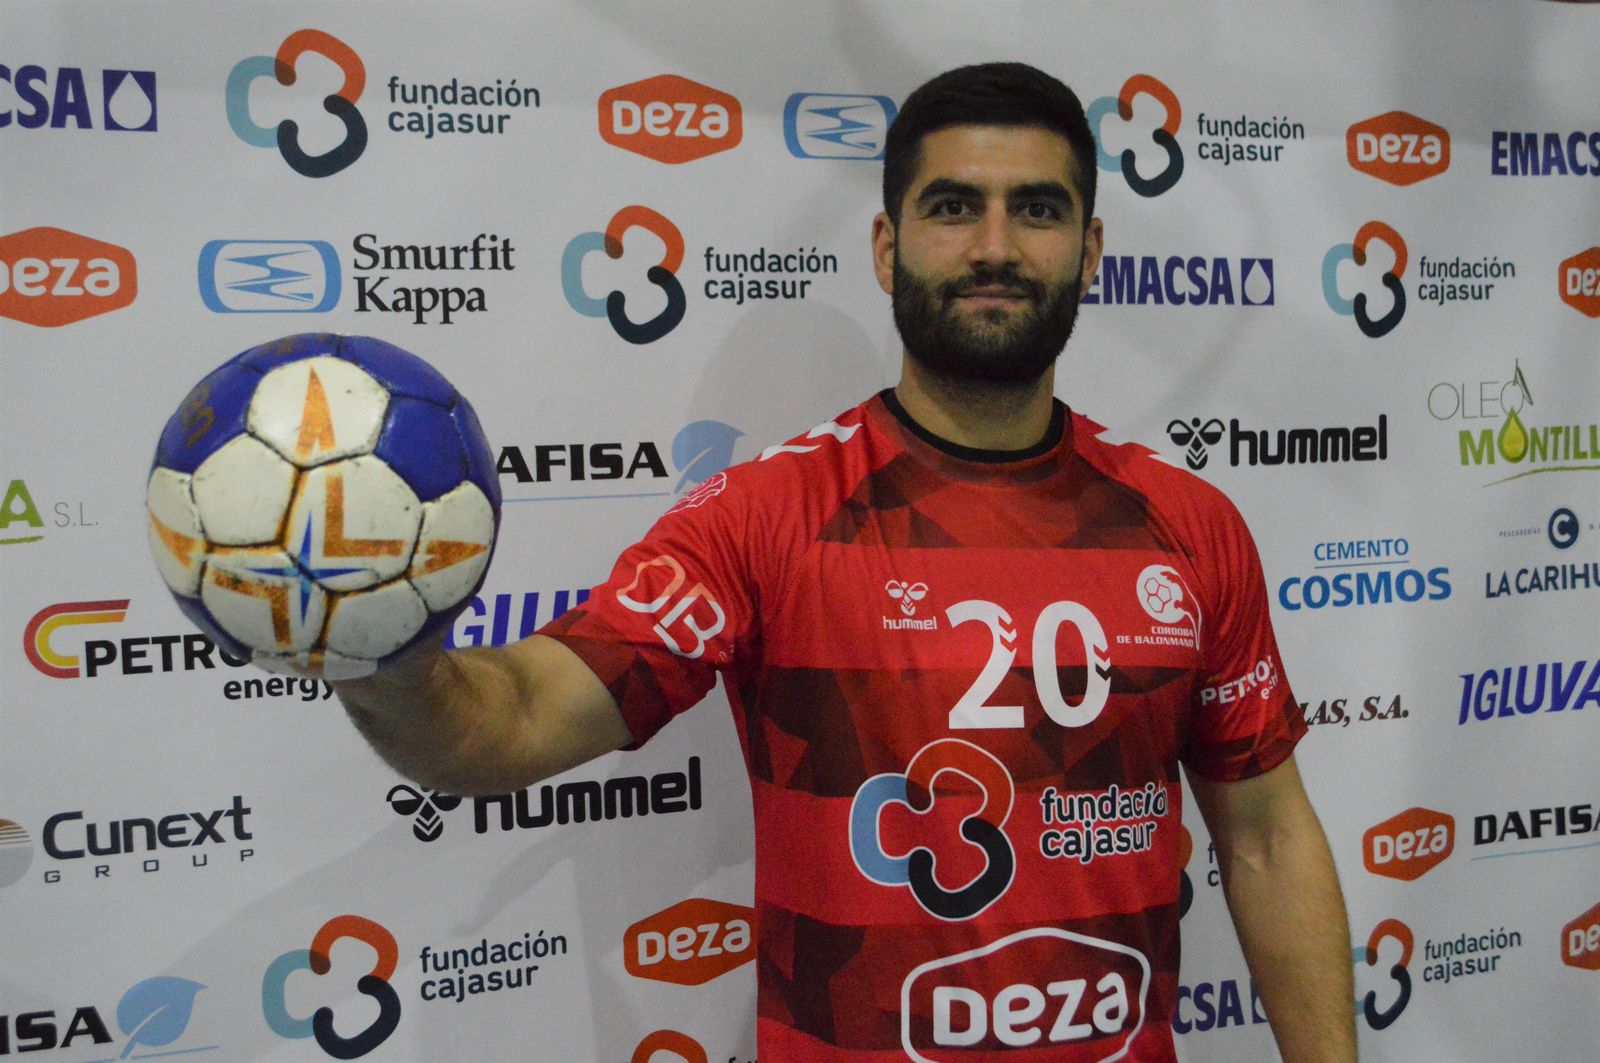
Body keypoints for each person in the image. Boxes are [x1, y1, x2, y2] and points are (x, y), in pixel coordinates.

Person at [338, 62, 1357, 1062]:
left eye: (1037, 211)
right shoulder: (766, 518)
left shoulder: (1188, 524)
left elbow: (1266, 838)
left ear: (1090, 252)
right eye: (953, 207)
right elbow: (500, 725)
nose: (994, 247)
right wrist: (364, 639)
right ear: (886, 245)